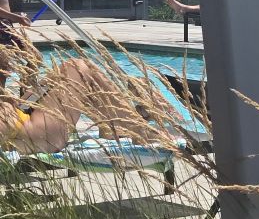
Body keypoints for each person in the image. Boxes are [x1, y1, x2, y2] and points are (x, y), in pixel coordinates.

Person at [0, 57, 157, 154]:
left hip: (24, 124)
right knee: (79, 67)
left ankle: (117, 126)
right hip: (36, 134)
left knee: (66, 70)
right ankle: (137, 129)